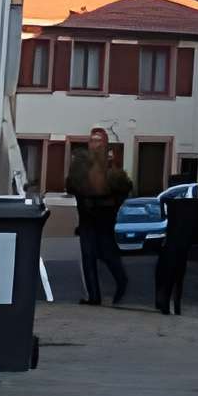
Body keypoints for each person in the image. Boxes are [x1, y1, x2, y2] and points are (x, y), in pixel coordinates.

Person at [66, 128, 131, 305]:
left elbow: (123, 187)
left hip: (104, 217)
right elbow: (71, 185)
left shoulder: (111, 167)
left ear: (105, 144)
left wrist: (112, 204)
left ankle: (121, 280)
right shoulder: (81, 164)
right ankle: (94, 296)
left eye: (99, 141)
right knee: (88, 255)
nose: (95, 144)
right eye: (92, 140)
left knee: (107, 253)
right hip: (87, 217)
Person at [153, 186, 198, 316]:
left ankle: (163, 303)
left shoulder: (174, 205)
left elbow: (163, 199)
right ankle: (175, 306)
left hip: (171, 245)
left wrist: (163, 214)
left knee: (166, 275)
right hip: (182, 246)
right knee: (178, 277)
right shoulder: (192, 207)